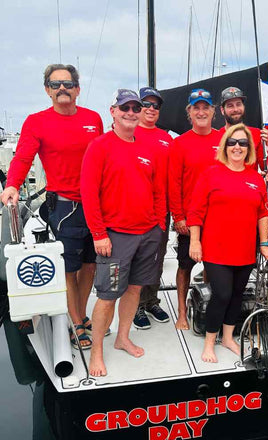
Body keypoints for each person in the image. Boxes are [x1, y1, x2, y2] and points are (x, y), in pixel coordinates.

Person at [1, 63, 103, 349]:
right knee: (69, 267)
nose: (62, 89)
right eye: (56, 84)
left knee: (90, 265)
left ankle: (80, 312)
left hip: (96, 203)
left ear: (77, 89)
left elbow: (103, 158)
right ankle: (77, 320)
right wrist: (12, 184)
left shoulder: (93, 118)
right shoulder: (36, 122)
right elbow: (22, 158)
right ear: (47, 90)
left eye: (68, 84)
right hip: (64, 207)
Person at [81, 89, 167, 377]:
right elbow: (89, 193)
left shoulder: (148, 148)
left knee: (134, 289)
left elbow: (157, 189)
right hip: (115, 236)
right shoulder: (99, 146)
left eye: (135, 108)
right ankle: (96, 353)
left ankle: (123, 337)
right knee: (108, 296)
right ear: (113, 111)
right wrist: (98, 234)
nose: (131, 112)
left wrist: (159, 226)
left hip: (147, 234)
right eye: (125, 108)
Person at [188, 124, 268, 362]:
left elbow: (262, 213)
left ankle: (228, 337)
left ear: (249, 148)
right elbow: (195, 212)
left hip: (245, 249)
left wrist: (264, 242)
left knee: (237, 294)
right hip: (216, 248)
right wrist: (195, 242)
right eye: (233, 142)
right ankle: (209, 342)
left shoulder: (256, 178)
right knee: (221, 294)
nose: (237, 147)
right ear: (225, 146)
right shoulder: (210, 174)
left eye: (243, 143)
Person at [168, 89, 221, 330]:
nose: (201, 112)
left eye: (205, 107)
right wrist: (178, 216)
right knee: (184, 266)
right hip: (189, 220)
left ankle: (206, 306)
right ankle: (181, 312)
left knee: (212, 266)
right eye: (196, 108)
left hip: (219, 218)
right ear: (189, 113)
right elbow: (174, 182)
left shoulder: (224, 139)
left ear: (213, 111)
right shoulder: (179, 143)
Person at [132, 86, 173, 329]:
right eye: (145, 104)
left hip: (161, 210)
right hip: (134, 211)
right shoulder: (128, 133)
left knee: (156, 258)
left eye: (155, 105)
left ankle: (151, 301)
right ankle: (135, 305)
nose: (150, 109)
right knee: (137, 260)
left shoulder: (166, 138)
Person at [218, 86, 268, 172]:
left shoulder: (257, 134)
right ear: (222, 110)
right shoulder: (216, 136)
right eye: (230, 106)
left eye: (238, 104)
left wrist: (267, 148)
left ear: (243, 107)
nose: (236, 109)